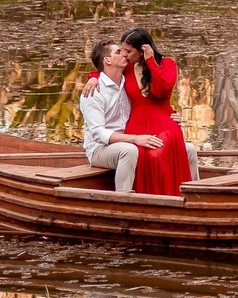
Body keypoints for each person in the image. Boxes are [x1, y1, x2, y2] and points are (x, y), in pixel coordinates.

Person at [84, 29, 197, 196]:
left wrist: (150, 60)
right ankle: (127, 200)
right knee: (139, 152)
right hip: (118, 139)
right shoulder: (105, 83)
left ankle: (196, 195)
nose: (124, 54)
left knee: (188, 149)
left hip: (143, 129)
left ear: (142, 50)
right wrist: (93, 76)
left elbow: (163, 89)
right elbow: (105, 69)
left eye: (128, 51)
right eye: (121, 51)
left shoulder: (158, 65)